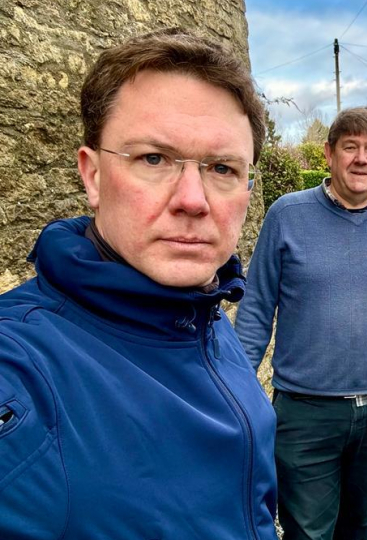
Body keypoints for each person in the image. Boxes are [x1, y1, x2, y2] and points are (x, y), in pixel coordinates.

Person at [0, 29, 278, 539]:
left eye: (222, 168)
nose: (193, 199)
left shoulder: (205, 312)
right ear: (93, 176)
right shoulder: (19, 367)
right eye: (153, 158)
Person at [235, 106, 367, 540]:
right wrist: (236, 387)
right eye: (350, 147)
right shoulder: (287, 215)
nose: (361, 158)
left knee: (359, 523)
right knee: (308, 531)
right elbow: (256, 307)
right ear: (329, 154)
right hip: (306, 413)